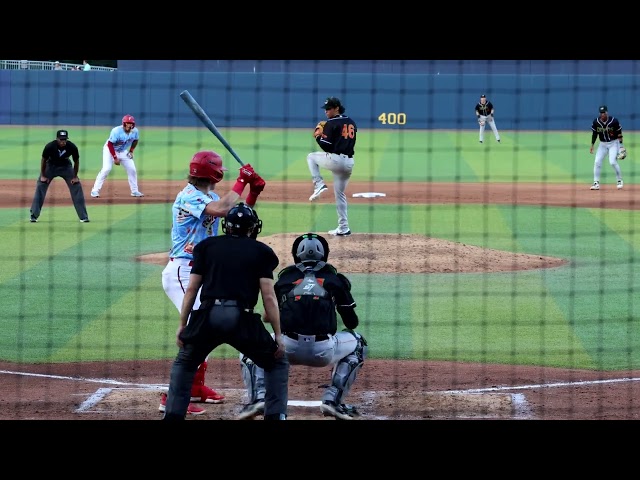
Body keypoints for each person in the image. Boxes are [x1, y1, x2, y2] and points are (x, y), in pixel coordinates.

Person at [159, 152, 266, 415]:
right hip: (183, 271)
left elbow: (236, 219)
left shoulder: (209, 197)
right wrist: (242, 180)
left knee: (203, 329)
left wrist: (254, 192)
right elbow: (220, 210)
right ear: (213, 173)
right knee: (199, 329)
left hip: (200, 271)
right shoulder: (189, 195)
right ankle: (172, 396)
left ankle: (195, 387)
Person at [162, 202, 289, 421]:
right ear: (252, 228)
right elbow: (269, 297)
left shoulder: (206, 247)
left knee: (185, 362)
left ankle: (173, 416)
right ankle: (275, 416)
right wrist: (277, 334)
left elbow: (192, 289)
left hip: (208, 317)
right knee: (276, 362)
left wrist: (183, 325)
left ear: (226, 226)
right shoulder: (262, 252)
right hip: (242, 319)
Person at [237, 232, 367, 421]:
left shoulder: (284, 280)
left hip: (285, 348)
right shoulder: (334, 279)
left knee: (249, 344)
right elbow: (351, 323)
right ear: (325, 254)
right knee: (359, 342)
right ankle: (333, 401)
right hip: (324, 351)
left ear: (296, 254)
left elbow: (267, 317)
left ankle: (258, 398)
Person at [307, 96, 357, 236]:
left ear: (336, 108)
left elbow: (327, 147)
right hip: (349, 163)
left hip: (336, 160)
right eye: (325, 109)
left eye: (329, 108)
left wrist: (318, 136)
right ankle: (343, 228)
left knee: (311, 157)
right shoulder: (351, 122)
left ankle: (318, 184)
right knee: (340, 194)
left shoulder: (331, 123)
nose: (326, 111)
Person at [29, 129, 90, 223]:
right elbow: (43, 160)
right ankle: (34, 215)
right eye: (61, 139)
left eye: (65, 139)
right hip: (51, 166)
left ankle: (83, 216)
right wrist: (43, 175)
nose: (63, 141)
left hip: (66, 166)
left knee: (76, 186)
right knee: (41, 185)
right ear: (57, 139)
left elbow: (76, 161)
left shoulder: (72, 147)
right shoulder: (50, 146)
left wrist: (75, 176)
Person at [90, 114, 144, 198]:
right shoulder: (116, 131)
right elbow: (110, 144)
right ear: (124, 123)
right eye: (127, 123)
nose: (129, 125)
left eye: (131, 123)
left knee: (132, 169)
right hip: (109, 150)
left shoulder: (135, 131)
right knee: (106, 169)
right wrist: (115, 157)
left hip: (122, 151)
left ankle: (134, 191)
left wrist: (131, 151)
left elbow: (135, 140)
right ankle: (95, 190)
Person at [589, 105, 624, 191]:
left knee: (612, 162)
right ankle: (596, 183)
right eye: (601, 113)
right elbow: (595, 134)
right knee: (597, 161)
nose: (602, 114)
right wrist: (592, 145)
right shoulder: (596, 122)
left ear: (607, 113)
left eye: (604, 113)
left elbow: (619, 133)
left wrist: (621, 146)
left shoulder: (614, 121)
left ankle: (619, 180)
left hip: (613, 143)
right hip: (603, 144)